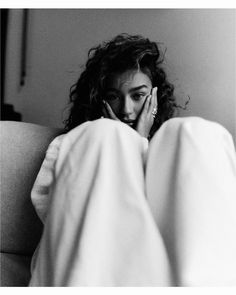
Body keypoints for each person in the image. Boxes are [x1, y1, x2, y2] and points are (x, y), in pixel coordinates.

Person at [29, 34, 236, 286]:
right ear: (99, 98)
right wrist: (130, 142)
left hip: (169, 268)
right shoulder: (77, 144)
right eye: (114, 96)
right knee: (103, 135)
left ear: (155, 98)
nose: (126, 110)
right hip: (95, 264)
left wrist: (142, 144)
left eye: (138, 96)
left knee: (193, 132)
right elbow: (60, 217)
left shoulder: (174, 152)